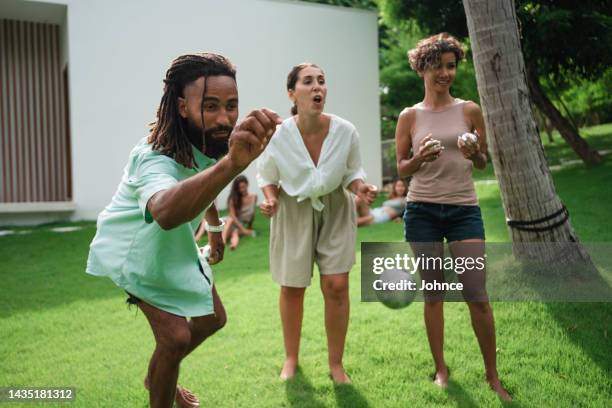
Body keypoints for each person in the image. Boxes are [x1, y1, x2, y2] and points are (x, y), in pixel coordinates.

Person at [86, 53, 281, 408]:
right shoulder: (153, 156)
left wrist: (215, 227)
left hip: (173, 247)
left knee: (212, 319)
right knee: (175, 338)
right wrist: (233, 164)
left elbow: (200, 177)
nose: (224, 118)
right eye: (210, 106)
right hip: (136, 250)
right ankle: (165, 369)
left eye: (232, 105)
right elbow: (164, 210)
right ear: (182, 107)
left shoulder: (206, 142)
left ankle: (159, 369)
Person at [395, 34, 512, 401]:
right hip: (422, 211)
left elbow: (481, 162)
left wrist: (476, 150)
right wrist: (419, 160)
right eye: (437, 65)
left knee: (477, 294)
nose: (445, 73)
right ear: (421, 68)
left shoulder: (469, 110)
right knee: (434, 295)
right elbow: (401, 170)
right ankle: (441, 369)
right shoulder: (409, 116)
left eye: (450, 65)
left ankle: (492, 375)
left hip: (463, 210)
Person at [257, 63, 377, 384]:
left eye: (321, 82)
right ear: (292, 93)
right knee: (293, 287)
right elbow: (267, 177)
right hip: (292, 209)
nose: (317, 88)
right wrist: (269, 199)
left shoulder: (346, 131)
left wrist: (361, 188)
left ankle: (336, 365)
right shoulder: (278, 135)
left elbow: (353, 173)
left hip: (337, 207)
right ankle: (291, 359)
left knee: (336, 285)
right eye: (308, 82)